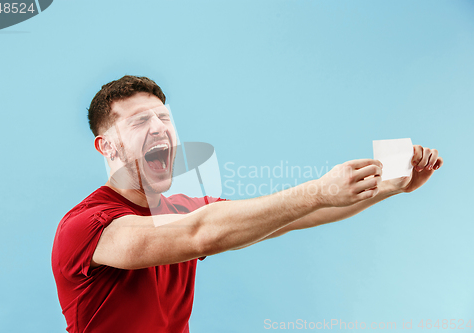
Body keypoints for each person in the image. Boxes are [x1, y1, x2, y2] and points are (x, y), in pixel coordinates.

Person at [51, 75, 443, 333]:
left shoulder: (183, 207)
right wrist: (319, 190)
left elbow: (293, 216)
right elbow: (200, 234)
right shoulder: (88, 225)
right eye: (139, 122)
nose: (159, 128)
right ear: (107, 146)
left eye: (164, 118)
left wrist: (391, 186)